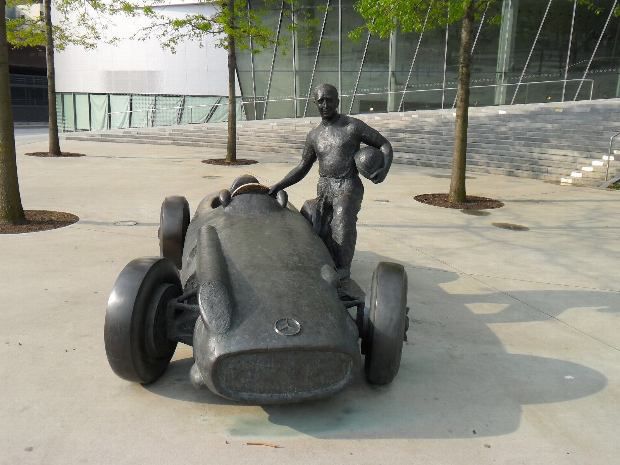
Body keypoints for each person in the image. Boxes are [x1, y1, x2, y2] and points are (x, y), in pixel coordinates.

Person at [269, 83, 393, 286]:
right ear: (315, 103)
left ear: (337, 101)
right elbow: (302, 167)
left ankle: (343, 268)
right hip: (324, 186)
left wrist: (384, 168)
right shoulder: (314, 135)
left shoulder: (352, 126)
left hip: (348, 185)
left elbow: (384, 145)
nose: (325, 105)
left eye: (329, 100)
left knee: (342, 217)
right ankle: (321, 257)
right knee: (310, 215)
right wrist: (279, 185)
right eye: (321, 101)